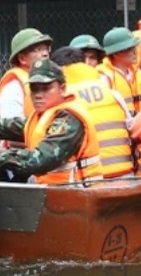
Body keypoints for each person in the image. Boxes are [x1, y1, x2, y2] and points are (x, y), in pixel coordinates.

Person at [0, 59, 103, 184]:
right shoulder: (41, 117)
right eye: (34, 89)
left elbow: (39, 161)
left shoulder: (69, 119)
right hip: (54, 194)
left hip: (78, 196)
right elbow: (4, 126)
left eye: (46, 88)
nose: (38, 95)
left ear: (62, 89)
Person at [52, 46, 134, 178]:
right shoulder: (112, 93)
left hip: (90, 180)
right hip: (125, 174)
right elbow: (132, 129)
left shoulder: (62, 99)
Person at [0, 28, 53, 119]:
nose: (45, 53)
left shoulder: (50, 79)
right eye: (38, 49)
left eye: (46, 49)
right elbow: (12, 128)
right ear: (22, 58)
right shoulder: (13, 88)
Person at [98, 27, 141, 113]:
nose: (135, 52)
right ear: (115, 54)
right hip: (118, 125)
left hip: (140, 124)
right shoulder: (104, 77)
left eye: (134, 47)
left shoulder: (137, 73)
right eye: (129, 49)